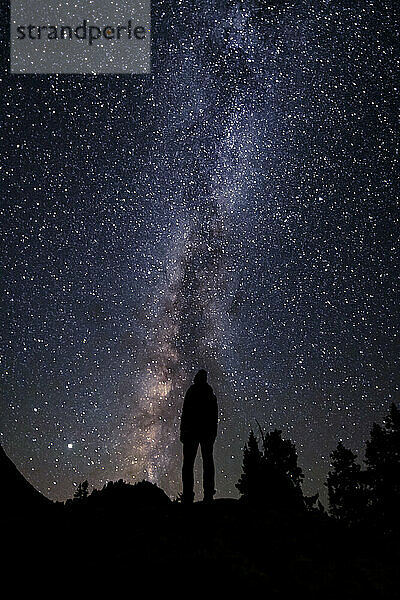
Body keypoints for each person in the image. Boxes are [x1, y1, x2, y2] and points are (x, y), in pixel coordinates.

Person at [180, 369, 218, 504]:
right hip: (199, 433)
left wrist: (183, 432)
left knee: (192, 464)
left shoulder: (195, 392)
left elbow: (185, 413)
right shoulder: (209, 394)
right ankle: (204, 494)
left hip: (195, 433)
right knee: (202, 463)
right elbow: (214, 417)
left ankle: (191, 495)